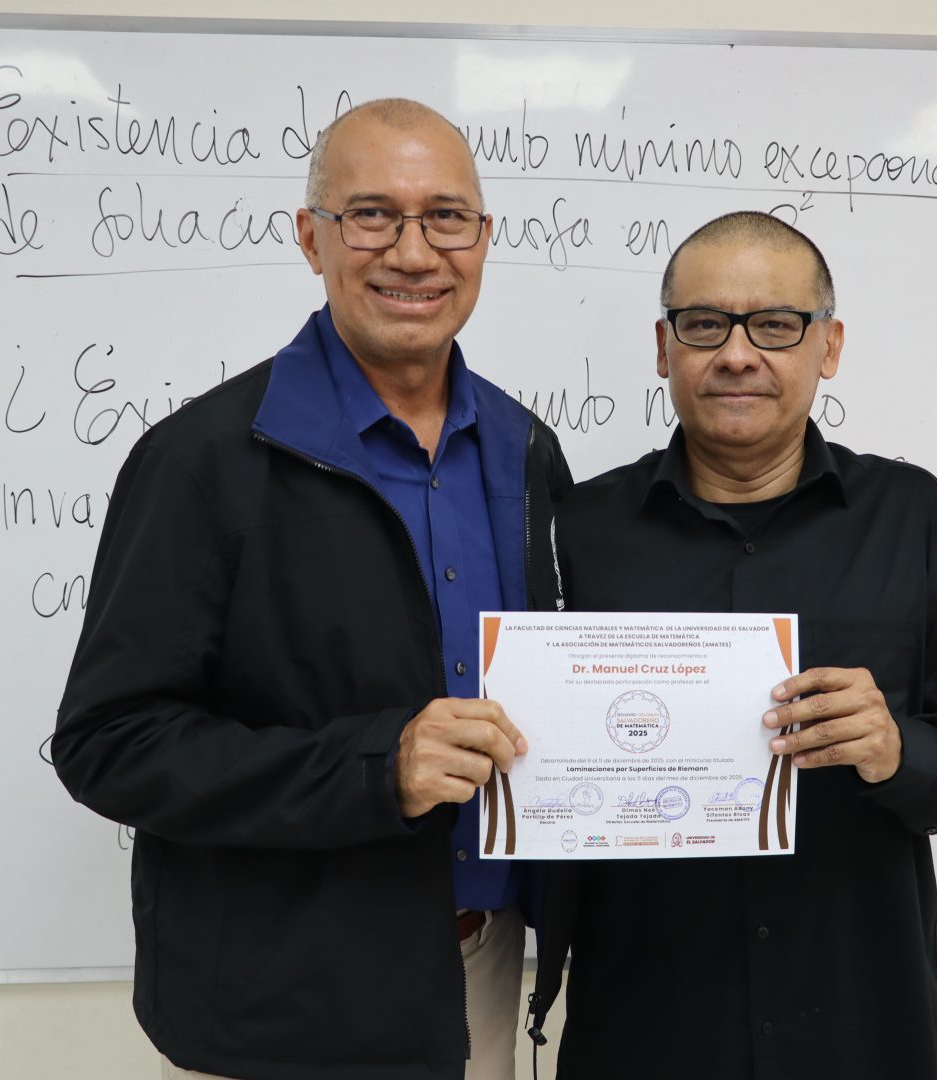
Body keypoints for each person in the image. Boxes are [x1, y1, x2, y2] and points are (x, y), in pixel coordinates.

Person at [52, 98, 570, 1080]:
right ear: (310, 237)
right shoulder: (202, 461)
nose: (414, 252)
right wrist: (377, 767)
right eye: (371, 215)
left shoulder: (526, 449)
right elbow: (109, 743)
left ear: (484, 238)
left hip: (481, 972)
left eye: (446, 217)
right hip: (280, 1001)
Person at [528, 212, 937, 1079]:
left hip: (864, 1028)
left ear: (828, 346)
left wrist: (897, 750)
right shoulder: (577, 531)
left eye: (775, 325)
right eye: (705, 325)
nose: (738, 355)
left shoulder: (912, 518)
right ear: (663, 348)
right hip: (647, 1030)